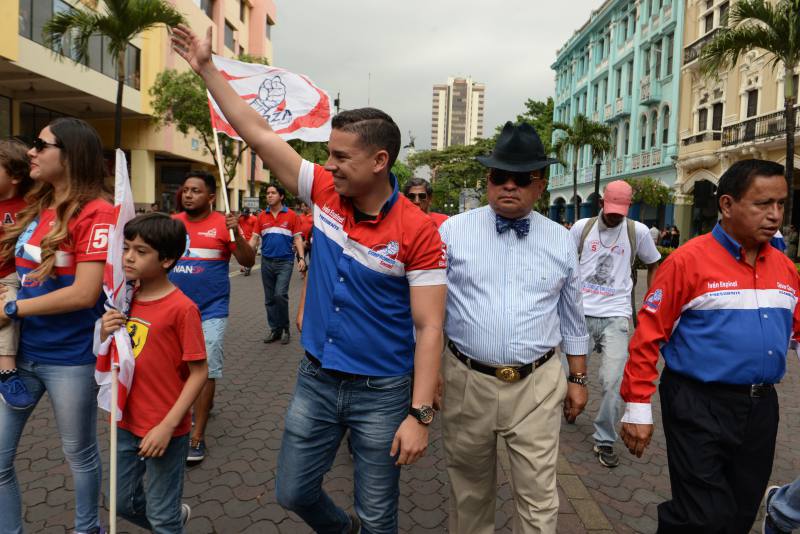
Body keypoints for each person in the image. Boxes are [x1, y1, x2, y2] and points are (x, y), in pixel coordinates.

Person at [172, 24, 447, 533]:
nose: (329, 164)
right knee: (293, 490)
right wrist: (208, 70)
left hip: (382, 392)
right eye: (329, 154)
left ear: (380, 160)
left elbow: (430, 327)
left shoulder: (419, 231)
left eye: (342, 156)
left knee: (380, 516)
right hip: (316, 379)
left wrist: (420, 414)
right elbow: (257, 132)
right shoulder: (321, 190)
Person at [619, 159, 798, 531]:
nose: (774, 215)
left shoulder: (784, 268)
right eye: (762, 204)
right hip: (697, 403)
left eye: (780, 204)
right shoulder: (687, 262)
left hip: (760, 408)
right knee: (705, 514)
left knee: (740, 511)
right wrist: (637, 407)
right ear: (728, 205)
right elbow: (647, 337)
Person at [438, 122, 589, 533]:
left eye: (522, 179)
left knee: (539, 498)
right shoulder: (453, 232)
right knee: (469, 494)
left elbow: (572, 315)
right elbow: (431, 312)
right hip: (466, 380)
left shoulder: (560, 240)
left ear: (540, 185)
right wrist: (428, 375)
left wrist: (577, 377)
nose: (509, 186)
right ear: (487, 180)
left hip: (537, 386)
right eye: (499, 177)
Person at [0, 118, 114, 534]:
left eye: (40, 144)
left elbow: (85, 293)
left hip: (70, 360)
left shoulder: (99, 213)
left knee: (79, 454)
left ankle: (88, 529)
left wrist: (12, 310)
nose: (30, 151)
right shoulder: (39, 206)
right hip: (23, 357)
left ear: (69, 156)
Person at [99, 213, 207, 533]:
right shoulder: (123, 298)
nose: (129, 257)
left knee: (161, 514)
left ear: (167, 259)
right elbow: (112, 352)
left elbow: (199, 372)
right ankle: (173, 520)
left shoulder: (182, 308)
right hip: (125, 420)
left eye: (141, 251)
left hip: (163, 428)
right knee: (118, 500)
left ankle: (169, 522)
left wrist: (168, 425)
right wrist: (103, 330)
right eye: (127, 247)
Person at [570, 180, 660, 468]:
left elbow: (654, 262)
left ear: (628, 208)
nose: (615, 216)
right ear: (600, 204)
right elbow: (566, 264)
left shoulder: (638, 232)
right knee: (569, 378)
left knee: (612, 382)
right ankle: (570, 401)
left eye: (620, 211)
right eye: (610, 210)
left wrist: (651, 299)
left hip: (616, 316)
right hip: (579, 316)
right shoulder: (581, 228)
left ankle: (604, 438)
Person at [169, 171, 255, 464]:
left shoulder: (224, 224)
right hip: (175, 312)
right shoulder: (173, 224)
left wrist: (238, 233)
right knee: (176, 370)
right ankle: (187, 411)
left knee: (204, 369)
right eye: (186, 190)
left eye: (195, 190)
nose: (189, 194)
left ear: (211, 197)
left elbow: (247, 261)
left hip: (211, 311)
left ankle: (197, 436)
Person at [248, 184, 305, 344]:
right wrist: (244, 251)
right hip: (266, 262)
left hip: (285, 262)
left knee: (280, 295)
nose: (269, 195)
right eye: (267, 193)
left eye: (273, 193)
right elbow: (254, 239)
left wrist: (301, 258)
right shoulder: (261, 217)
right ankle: (275, 330)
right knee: (269, 299)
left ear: (281, 196)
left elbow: (298, 238)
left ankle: (285, 328)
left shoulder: (292, 216)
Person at [0, 139, 33, 409]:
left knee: (8, 309)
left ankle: (6, 371)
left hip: (10, 275)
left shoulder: (31, 204)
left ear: (15, 176)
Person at [237, 207, 257, 276]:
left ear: (249, 213)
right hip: (242, 240)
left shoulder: (254, 219)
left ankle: (247, 268)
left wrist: (256, 241)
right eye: (243, 214)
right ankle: (245, 266)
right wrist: (238, 215)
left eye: (246, 214)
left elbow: (256, 231)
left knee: (250, 255)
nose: (244, 216)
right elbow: (235, 223)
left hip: (251, 240)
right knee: (242, 255)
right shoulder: (240, 218)